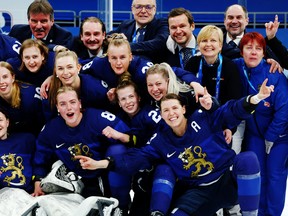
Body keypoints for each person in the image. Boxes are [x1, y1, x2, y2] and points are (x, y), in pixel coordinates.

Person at [75, 79, 274, 216]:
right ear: (161, 115)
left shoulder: (203, 118)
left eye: (174, 108)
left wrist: (255, 98)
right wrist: (100, 163)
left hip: (226, 179)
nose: (171, 113)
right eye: (166, 110)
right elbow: (134, 159)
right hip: (199, 192)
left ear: (184, 109)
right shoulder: (160, 140)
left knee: (248, 159)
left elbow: (232, 111)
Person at [32, 86, 132, 214]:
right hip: (76, 178)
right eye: (63, 104)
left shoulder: (98, 118)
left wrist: (118, 137)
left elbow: (129, 139)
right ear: (57, 107)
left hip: (103, 172)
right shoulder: (51, 130)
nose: (69, 108)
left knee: (117, 150)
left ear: (80, 103)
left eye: (72, 102)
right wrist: (37, 180)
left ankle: (122, 205)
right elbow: (40, 158)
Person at [233, 32, 288, 216]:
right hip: (253, 135)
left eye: (258, 49)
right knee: (257, 176)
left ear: (265, 54)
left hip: (278, 137)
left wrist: (272, 135)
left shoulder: (275, 74)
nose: (253, 52)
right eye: (249, 48)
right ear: (241, 52)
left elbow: (284, 109)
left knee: (275, 177)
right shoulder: (235, 68)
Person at [80, 33, 201, 105]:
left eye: (122, 57)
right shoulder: (99, 63)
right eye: (113, 58)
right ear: (108, 58)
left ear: (130, 57)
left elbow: (169, 70)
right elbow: (79, 68)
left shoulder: (142, 68)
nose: (118, 63)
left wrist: (194, 82)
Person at [185, 25, 243, 148]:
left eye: (213, 40)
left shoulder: (229, 66)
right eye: (204, 40)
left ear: (221, 45)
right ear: (198, 44)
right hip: (196, 121)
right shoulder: (192, 63)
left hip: (221, 120)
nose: (208, 44)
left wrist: (229, 127)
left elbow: (234, 100)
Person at [42, 49, 109, 121]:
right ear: (55, 71)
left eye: (70, 67)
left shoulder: (95, 89)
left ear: (78, 68)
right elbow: (50, 120)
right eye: (60, 68)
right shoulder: (49, 91)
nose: (65, 72)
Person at [222, 4, 287, 69]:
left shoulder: (259, 46)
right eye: (230, 17)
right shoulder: (214, 43)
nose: (234, 21)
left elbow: (285, 63)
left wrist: (272, 38)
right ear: (224, 21)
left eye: (239, 17)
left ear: (247, 21)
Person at [0, 61, 44, 135]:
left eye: (5, 77)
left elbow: (42, 124)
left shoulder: (29, 97)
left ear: (13, 78)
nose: (1, 82)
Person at [0, 106, 36, 193]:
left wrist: (38, 181)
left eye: (0, 120)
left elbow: (41, 163)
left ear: (7, 122)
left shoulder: (26, 139)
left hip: (32, 194)